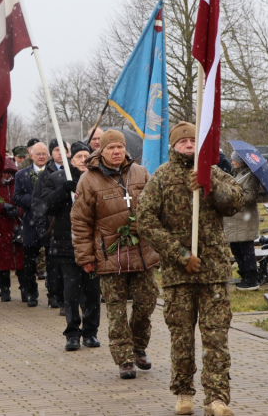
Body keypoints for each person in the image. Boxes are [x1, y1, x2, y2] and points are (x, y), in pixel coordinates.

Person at [137, 122, 244, 416]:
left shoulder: (213, 172)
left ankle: (217, 398)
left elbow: (236, 201)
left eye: (193, 140)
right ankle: (184, 392)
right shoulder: (161, 177)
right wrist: (180, 255)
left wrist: (210, 185)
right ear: (173, 145)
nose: (188, 144)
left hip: (213, 273)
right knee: (182, 338)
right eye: (183, 141)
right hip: (178, 275)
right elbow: (145, 220)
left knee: (216, 338)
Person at [71, 129, 160, 380]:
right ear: (102, 151)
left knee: (146, 304)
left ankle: (139, 346)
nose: (117, 152)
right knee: (117, 311)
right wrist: (86, 257)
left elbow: (156, 207)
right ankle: (125, 359)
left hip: (143, 254)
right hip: (110, 257)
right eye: (111, 148)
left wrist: (145, 223)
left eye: (120, 147)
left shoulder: (141, 173)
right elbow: (80, 222)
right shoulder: (89, 180)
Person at [42, 141, 101, 351]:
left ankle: (91, 332)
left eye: (86, 155)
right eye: (78, 157)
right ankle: (72, 333)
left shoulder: (98, 177)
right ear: (71, 159)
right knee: (71, 290)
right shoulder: (57, 178)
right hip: (67, 245)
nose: (83, 160)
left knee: (93, 290)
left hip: (93, 245)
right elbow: (46, 206)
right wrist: (62, 190)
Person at [31, 138, 70, 310]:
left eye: (64, 150)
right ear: (51, 154)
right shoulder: (45, 174)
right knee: (53, 265)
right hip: (52, 228)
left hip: (71, 227)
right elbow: (38, 203)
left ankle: (67, 296)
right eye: (56, 150)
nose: (60, 153)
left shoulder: (74, 171)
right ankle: (54, 295)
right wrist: (42, 229)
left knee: (70, 266)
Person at [13, 141, 51, 306]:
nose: (41, 157)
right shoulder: (21, 175)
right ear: (31, 155)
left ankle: (54, 293)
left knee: (52, 259)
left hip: (50, 222)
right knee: (29, 261)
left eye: (44, 154)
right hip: (30, 223)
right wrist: (34, 200)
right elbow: (16, 198)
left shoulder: (54, 173)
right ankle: (31, 292)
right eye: (38, 154)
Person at [0, 157, 26, 301]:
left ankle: (25, 289)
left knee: (21, 261)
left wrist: (18, 211)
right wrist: (2, 207)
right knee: (2, 263)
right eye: (4, 172)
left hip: (17, 226)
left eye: (10, 172)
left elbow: (25, 201)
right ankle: (5, 290)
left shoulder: (18, 184)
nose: (7, 176)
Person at [223, 151, 261, 291]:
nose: (232, 162)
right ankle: (244, 274)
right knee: (236, 249)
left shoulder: (250, 176)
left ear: (240, 161)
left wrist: (233, 195)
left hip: (244, 220)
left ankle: (251, 278)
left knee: (246, 250)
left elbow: (250, 197)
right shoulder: (238, 174)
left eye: (234, 160)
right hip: (236, 220)